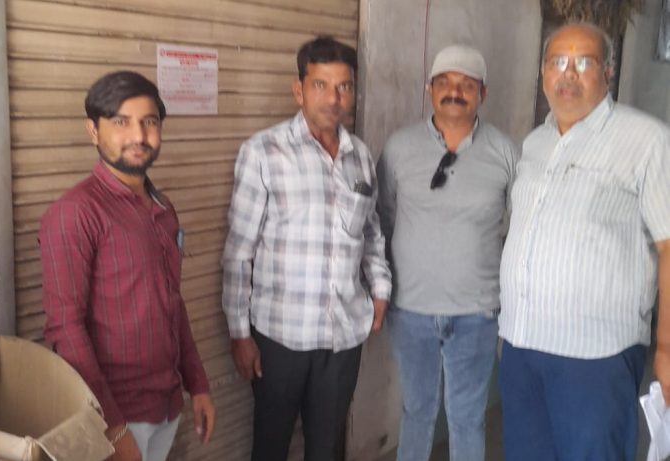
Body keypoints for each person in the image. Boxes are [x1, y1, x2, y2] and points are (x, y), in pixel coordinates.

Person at [499, 22, 670, 461]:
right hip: (521, 345)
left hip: (595, 357)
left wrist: (667, 348)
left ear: (608, 72)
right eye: (558, 61)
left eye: (583, 62)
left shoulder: (647, 140)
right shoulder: (535, 143)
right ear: (543, 73)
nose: (568, 73)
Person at [221, 36, 392, 461]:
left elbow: (371, 231)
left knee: (327, 447)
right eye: (321, 85)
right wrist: (239, 333)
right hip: (280, 336)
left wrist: (380, 289)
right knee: (271, 444)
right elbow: (239, 251)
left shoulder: (360, 156)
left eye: (344, 87)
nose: (334, 98)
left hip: (343, 336)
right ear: (299, 90)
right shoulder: (263, 152)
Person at [38, 71, 215, 461]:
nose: (139, 135)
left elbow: (172, 302)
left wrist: (198, 384)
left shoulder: (163, 209)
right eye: (121, 122)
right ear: (93, 130)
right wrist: (112, 428)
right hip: (115, 415)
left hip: (166, 406)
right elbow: (65, 329)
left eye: (149, 122)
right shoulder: (74, 213)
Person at [376, 45, 518, 461]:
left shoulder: (504, 152)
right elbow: (383, 220)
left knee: (467, 418)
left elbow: (522, 224)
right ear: (430, 89)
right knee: (416, 411)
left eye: (467, 85)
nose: (455, 92)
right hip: (411, 309)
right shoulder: (399, 147)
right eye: (445, 83)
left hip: (476, 312)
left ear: (482, 94)